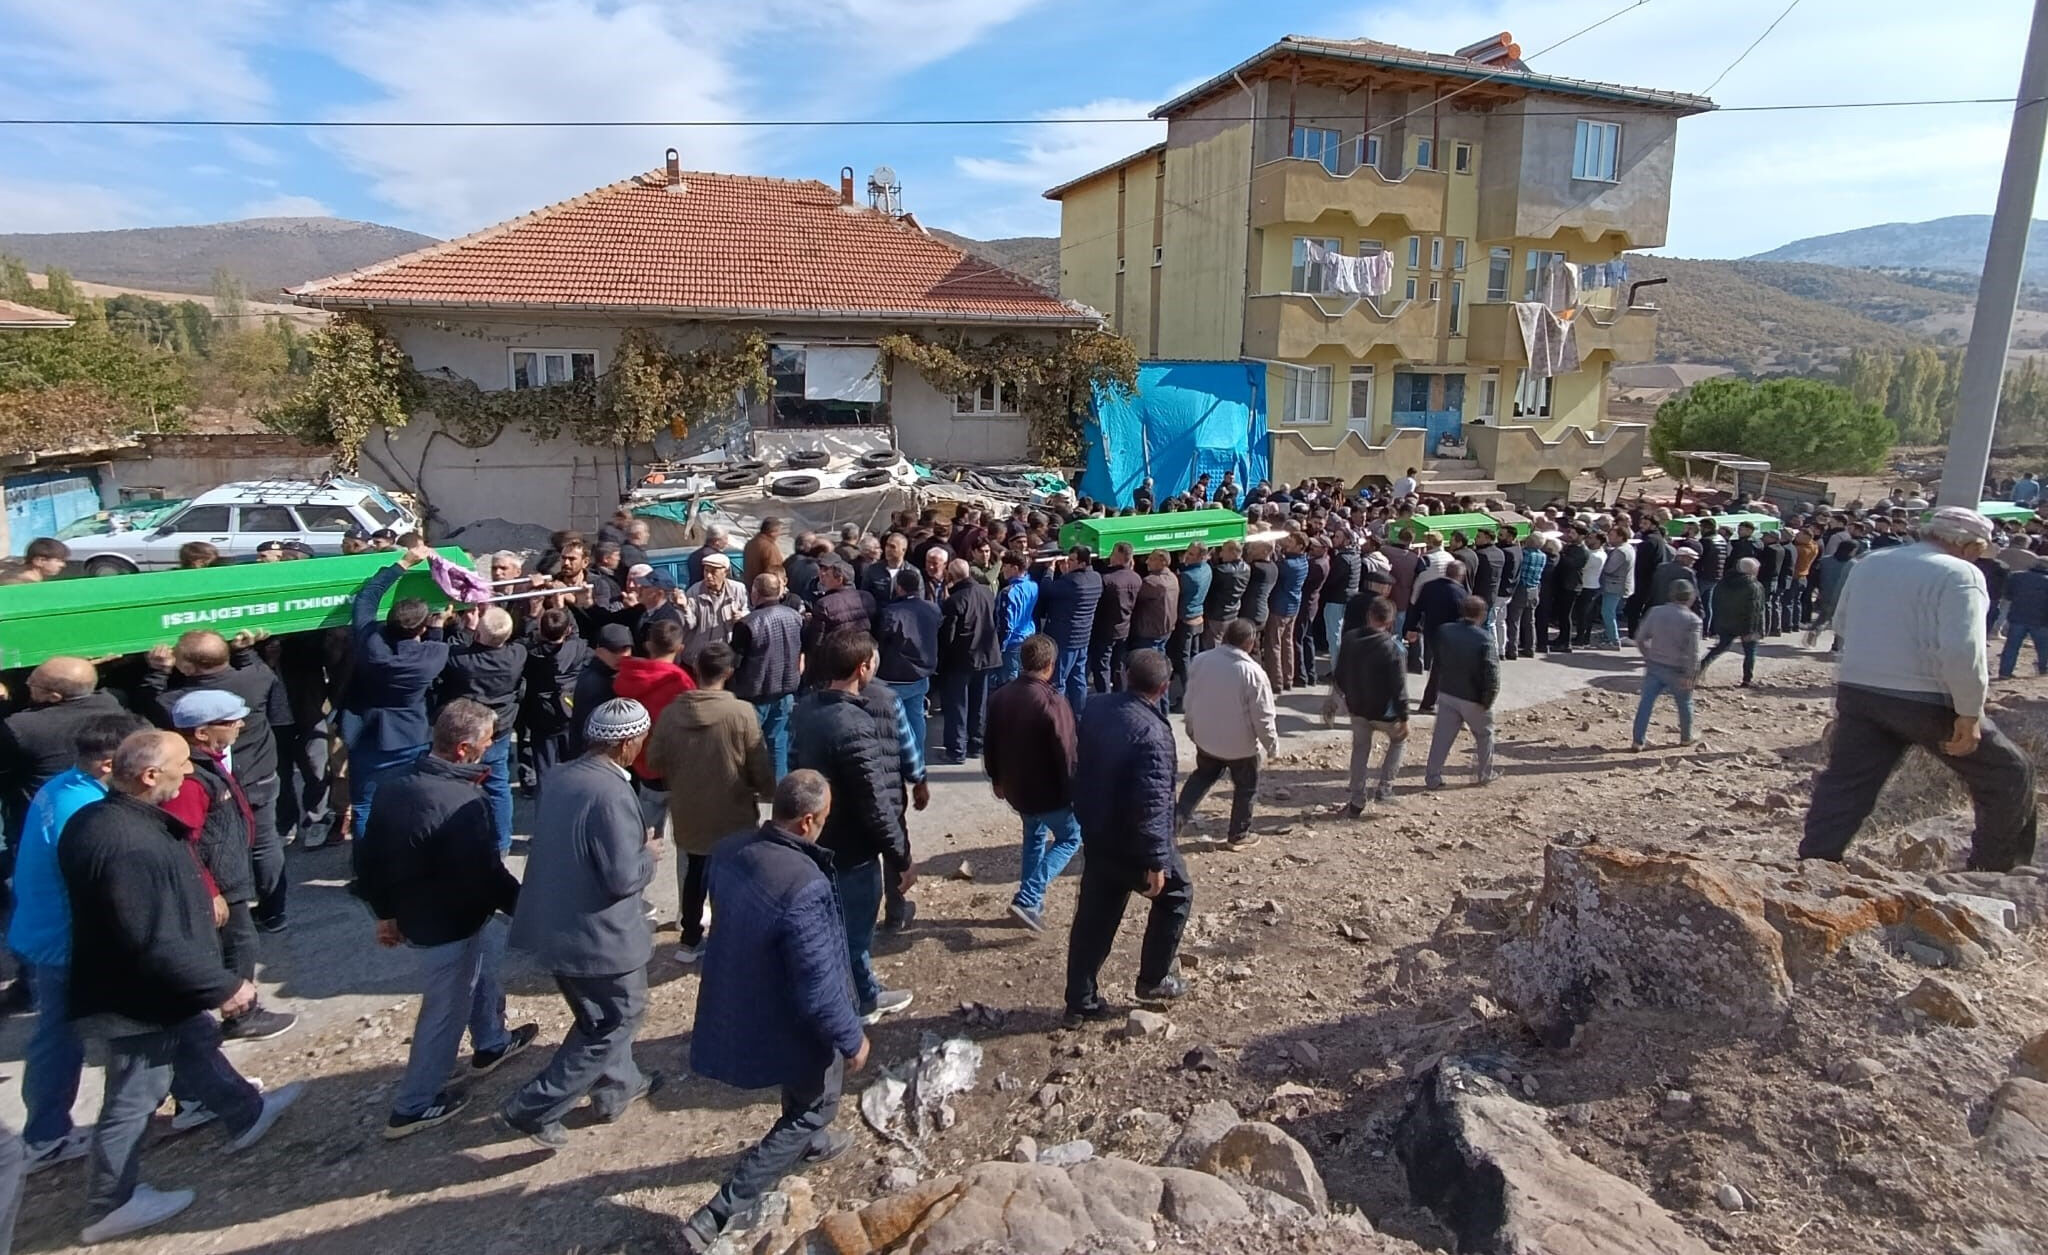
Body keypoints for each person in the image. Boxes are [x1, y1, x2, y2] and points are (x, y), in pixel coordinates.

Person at [62, 730, 303, 1244]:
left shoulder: (101, 821)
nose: (189, 774)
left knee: (195, 1041)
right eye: (180, 767)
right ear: (150, 775)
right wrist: (220, 985)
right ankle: (110, 1204)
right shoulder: (129, 843)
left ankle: (245, 1112)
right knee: (133, 1097)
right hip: (135, 997)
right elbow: (150, 939)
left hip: (147, 989)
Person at [678, 771, 868, 1254]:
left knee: (803, 1090)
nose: (825, 826)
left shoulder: (731, 850)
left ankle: (813, 1143)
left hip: (744, 990)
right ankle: (718, 1211)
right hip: (789, 1014)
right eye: (823, 819)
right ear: (807, 822)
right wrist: (852, 1037)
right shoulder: (804, 885)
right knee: (814, 1105)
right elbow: (819, 985)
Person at [1801, 508, 2038, 871]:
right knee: (2008, 772)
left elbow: (1843, 622)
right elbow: (1963, 651)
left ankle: (1814, 863)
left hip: (1859, 688)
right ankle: (1994, 870)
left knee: (1847, 783)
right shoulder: (1961, 573)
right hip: (1926, 697)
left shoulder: (1871, 562)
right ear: (1972, 545)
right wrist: (1969, 713)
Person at [356, 699, 534, 1139]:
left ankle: (491, 1042)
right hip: (448, 922)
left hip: (426, 914)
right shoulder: (463, 802)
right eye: (488, 742)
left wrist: (386, 913)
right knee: (445, 1009)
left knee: (485, 964)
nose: (493, 748)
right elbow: (487, 875)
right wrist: (532, 915)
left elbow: (368, 858)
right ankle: (414, 1104)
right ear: (463, 750)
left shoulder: (395, 786)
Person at [500, 699, 661, 1149]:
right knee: (615, 1018)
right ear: (627, 743)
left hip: (557, 926)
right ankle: (533, 1106)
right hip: (600, 936)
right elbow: (622, 876)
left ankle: (617, 1089)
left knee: (600, 1013)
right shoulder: (611, 792)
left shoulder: (563, 776)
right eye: (641, 739)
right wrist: (648, 857)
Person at [9, 713, 147, 1173]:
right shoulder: (85, 814)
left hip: (45, 933)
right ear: (109, 763)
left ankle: (45, 1133)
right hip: (70, 941)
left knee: (58, 1035)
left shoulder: (60, 788)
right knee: (145, 1024)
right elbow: (101, 888)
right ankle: (49, 1136)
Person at [788, 631, 915, 1023]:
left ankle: (864, 992)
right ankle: (855, 1004)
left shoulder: (805, 710)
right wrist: (902, 858)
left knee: (839, 928)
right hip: (852, 852)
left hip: (818, 841)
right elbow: (876, 803)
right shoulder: (854, 723)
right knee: (854, 933)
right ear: (863, 667)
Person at [161, 691, 297, 1043]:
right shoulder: (189, 779)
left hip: (227, 874)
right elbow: (180, 841)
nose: (240, 724)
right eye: (230, 720)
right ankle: (241, 1015)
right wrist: (210, 891)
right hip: (217, 882)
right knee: (240, 946)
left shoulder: (209, 760)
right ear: (202, 732)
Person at [1063, 650, 1189, 1025]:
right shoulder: (1154, 733)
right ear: (1164, 687)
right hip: (1134, 844)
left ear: (1124, 675)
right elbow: (1152, 801)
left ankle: (1079, 1002)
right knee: (1177, 895)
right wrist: (1156, 861)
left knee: (1093, 919)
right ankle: (1152, 979)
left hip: (1099, 832)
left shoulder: (1097, 707)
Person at [142, 630, 293, 930]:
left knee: (213, 849)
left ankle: (226, 913)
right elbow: (256, 667)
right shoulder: (256, 678)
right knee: (265, 845)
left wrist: (157, 672)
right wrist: (246, 651)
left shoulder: (175, 701)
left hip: (211, 786)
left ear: (185, 667)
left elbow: (148, 702)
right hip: (259, 776)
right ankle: (274, 913)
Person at [645, 643, 775, 964]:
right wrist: (768, 791)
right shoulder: (742, 713)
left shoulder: (673, 712)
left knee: (695, 874)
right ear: (729, 673)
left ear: (696, 671)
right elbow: (758, 763)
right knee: (733, 876)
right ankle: (731, 936)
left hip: (689, 808)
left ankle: (689, 939)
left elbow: (655, 758)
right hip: (734, 809)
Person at [342, 544, 449, 845]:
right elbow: (435, 646)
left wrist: (402, 563)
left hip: (366, 733)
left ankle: (366, 869)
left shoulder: (370, 642)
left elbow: (367, 597)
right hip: (409, 738)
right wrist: (438, 627)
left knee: (363, 804)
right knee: (411, 804)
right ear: (422, 628)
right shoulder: (433, 655)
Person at [982, 634, 1081, 933]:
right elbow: (1067, 754)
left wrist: (996, 778)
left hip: (1016, 788)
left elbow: (990, 741)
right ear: (1050, 665)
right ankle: (1028, 897)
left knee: (1034, 837)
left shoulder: (1000, 696)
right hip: (1049, 792)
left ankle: (1030, 904)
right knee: (1070, 838)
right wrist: (1075, 792)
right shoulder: (1053, 702)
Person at [1176, 618, 1278, 850]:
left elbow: (1190, 698)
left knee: (1200, 779)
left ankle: (1174, 823)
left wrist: (1191, 728)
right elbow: (1264, 716)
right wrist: (1271, 746)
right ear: (1250, 643)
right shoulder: (1253, 673)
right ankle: (1239, 834)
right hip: (1241, 747)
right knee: (1246, 788)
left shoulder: (1201, 660)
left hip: (1206, 740)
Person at [0, 657, 125, 845]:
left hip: (40, 822)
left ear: (54, 697)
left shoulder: (22, 727)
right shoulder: (113, 703)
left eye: (33, 684)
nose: (27, 684)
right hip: (104, 810)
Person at [435, 605, 527, 854]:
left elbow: (448, 650)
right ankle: (501, 844)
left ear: (477, 635)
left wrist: (466, 628)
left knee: (455, 786)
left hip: (466, 734)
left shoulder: (462, 660)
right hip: (498, 730)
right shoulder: (517, 655)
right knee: (498, 787)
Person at [1327, 597, 1408, 815]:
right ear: (1390, 622)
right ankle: (1385, 788)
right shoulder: (1393, 648)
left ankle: (1357, 798)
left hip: (1357, 707)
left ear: (1368, 616)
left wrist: (1339, 698)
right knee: (1398, 741)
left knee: (1360, 750)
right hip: (1384, 711)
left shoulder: (1351, 638)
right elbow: (1398, 686)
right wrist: (1404, 716)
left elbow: (1340, 674)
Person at [729, 572, 805, 779]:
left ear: (755, 593)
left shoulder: (747, 624)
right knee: (778, 742)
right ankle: (777, 788)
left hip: (754, 693)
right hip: (786, 690)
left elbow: (735, 661)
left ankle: (746, 787)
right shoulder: (795, 617)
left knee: (746, 745)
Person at [1424, 597, 1501, 790]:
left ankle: (1432, 777)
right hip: (1473, 697)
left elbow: (1438, 658)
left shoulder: (1445, 631)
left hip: (1448, 691)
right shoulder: (1485, 639)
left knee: (1441, 737)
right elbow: (1491, 673)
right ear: (1482, 615)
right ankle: (1484, 774)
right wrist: (1488, 700)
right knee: (1484, 735)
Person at [937, 557, 1002, 764]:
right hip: (986, 656)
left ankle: (956, 750)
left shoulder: (955, 600)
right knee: (978, 702)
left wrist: (941, 662)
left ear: (951, 576)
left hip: (961, 660)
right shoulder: (986, 593)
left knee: (957, 705)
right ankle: (976, 744)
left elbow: (948, 636)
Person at [875, 568, 939, 765]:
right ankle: (916, 758)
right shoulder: (932, 608)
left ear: (899, 587)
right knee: (916, 717)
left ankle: (895, 761)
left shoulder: (891, 612)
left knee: (891, 723)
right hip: (921, 674)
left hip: (895, 676)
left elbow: (880, 640)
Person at [520, 608, 591, 785]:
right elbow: (574, 637)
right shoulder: (579, 650)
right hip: (569, 710)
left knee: (545, 769)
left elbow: (522, 642)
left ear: (540, 630)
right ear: (567, 630)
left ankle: (547, 803)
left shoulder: (530, 654)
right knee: (574, 765)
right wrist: (564, 608)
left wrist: (532, 614)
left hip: (541, 716)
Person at [1631, 580, 1703, 750]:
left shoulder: (1656, 612)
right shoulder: (1693, 620)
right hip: (1678, 669)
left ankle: (1638, 740)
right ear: (1691, 598)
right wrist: (1691, 674)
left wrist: (1648, 656)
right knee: (1684, 703)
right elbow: (1693, 652)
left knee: (1646, 703)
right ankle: (1686, 737)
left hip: (1655, 665)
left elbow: (1640, 638)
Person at [1040, 547, 1104, 715]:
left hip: (1064, 638)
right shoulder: (1096, 578)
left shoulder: (1072, 581)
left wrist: (1050, 570)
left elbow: (1047, 590)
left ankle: (1057, 717)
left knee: (1058, 681)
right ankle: (1079, 715)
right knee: (1078, 679)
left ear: (1082, 562)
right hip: (1083, 637)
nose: (1067, 563)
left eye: (1071, 560)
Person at [1699, 555, 1766, 687]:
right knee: (1750, 652)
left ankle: (1699, 669)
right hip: (1747, 624)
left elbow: (1716, 602)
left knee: (1720, 648)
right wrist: (1755, 629)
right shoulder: (1754, 586)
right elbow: (1756, 609)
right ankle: (1747, 680)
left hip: (1726, 622)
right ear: (1751, 570)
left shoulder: (1723, 582)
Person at [569, 623, 633, 756]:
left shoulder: (618, 674)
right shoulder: (594, 683)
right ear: (599, 651)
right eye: (614, 650)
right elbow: (588, 732)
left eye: (625, 649)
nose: (621, 655)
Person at [680, 552, 750, 666]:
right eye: (706, 571)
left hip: (724, 655)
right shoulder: (694, 591)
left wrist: (742, 616)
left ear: (725, 572)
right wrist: (684, 608)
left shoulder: (738, 589)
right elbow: (690, 624)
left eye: (713, 572)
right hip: (699, 657)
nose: (708, 576)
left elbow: (748, 612)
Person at [1090, 542, 1142, 694]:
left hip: (1105, 630)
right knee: (1119, 665)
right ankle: (1120, 693)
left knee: (1102, 665)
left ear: (1118, 557)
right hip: (1124, 629)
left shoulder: (1107, 579)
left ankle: (1105, 696)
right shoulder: (1136, 578)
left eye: (1113, 552)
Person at [1129, 550, 1178, 708]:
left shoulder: (1152, 582)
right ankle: (1163, 707)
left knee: (1150, 675)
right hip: (1165, 631)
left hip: (1149, 632)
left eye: (1152, 559)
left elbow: (1134, 598)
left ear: (1163, 561)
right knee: (1161, 671)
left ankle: (1153, 709)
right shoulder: (1173, 578)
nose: (1147, 562)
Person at [2000, 553, 2048, 678]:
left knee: (2011, 646)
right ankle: (2043, 669)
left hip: (2017, 616)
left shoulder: (2017, 576)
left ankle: (2005, 672)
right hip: (2041, 620)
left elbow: (2008, 595)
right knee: (2043, 648)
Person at [996, 552, 1040, 684]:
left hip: (1012, 642)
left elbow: (1007, 624)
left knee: (1010, 680)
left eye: (1005, 566)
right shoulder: (1033, 585)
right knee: (1026, 677)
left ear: (1015, 568)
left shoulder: (1008, 592)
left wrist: (1000, 647)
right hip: (1029, 636)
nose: (1003, 569)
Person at [1505, 534, 1547, 661]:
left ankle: (1512, 649)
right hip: (1534, 589)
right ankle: (1530, 648)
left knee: (1514, 621)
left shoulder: (1524, 554)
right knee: (1530, 621)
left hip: (1521, 589)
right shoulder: (1542, 556)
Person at [1202, 540, 1249, 650]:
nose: (1221, 554)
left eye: (1223, 551)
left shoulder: (1222, 571)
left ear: (1233, 553)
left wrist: (1207, 560)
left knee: (1213, 647)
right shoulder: (1247, 568)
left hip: (1218, 615)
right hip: (1233, 612)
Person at [743, 517, 786, 582]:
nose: (779, 534)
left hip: (750, 585)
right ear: (772, 532)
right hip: (765, 587)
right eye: (779, 531)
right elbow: (774, 571)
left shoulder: (750, 543)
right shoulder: (769, 547)